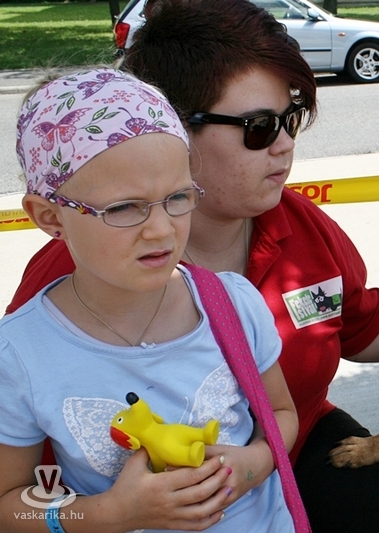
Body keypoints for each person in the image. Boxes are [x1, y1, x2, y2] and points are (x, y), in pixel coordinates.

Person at [4, 0, 379, 531]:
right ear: (173, 128)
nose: (286, 144)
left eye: (290, 119)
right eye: (259, 126)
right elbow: (23, 490)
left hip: (291, 452)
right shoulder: (59, 294)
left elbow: (358, 323)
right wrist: (108, 512)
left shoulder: (298, 223)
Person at [0, 69, 298, 532]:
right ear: (49, 217)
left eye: (178, 197)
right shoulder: (21, 354)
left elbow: (281, 413)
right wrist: (113, 513)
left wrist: (253, 464)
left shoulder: (232, 305)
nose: (161, 230)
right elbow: (9, 505)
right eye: (123, 207)